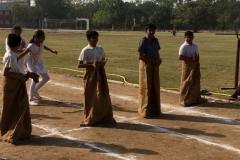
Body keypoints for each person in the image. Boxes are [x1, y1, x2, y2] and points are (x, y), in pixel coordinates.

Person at [77, 30, 116, 126]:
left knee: (103, 94)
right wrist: (92, 66)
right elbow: (79, 65)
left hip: (101, 73)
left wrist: (102, 63)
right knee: (91, 94)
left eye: (96, 38)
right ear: (88, 39)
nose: (95, 40)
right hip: (90, 74)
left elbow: (103, 59)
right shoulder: (85, 50)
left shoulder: (100, 49)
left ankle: (104, 117)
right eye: (93, 38)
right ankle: (91, 117)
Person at [1, 34, 31, 143]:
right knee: (13, 108)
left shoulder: (12, 54)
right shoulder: (9, 55)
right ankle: (9, 131)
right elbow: (6, 72)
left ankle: (21, 130)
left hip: (16, 83)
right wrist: (21, 77)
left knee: (18, 107)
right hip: (11, 84)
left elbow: (15, 59)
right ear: (18, 44)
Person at [19, 30, 58, 106]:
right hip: (31, 61)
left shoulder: (41, 43)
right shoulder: (31, 45)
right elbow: (23, 53)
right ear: (36, 38)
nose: (44, 39)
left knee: (46, 77)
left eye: (44, 37)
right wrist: (15, 59)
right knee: (34, 78)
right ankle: (30, 99)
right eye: (42, 37)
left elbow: (44, 46)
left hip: (38, 61)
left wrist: (52, 51)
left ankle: (35, 91)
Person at [138, 24, 162, 118]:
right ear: (146, 31)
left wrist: (158, 60)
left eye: (153, 30)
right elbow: (140, 56)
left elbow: (157, 52)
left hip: (155, 66)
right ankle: (145, 110)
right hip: (146, 66)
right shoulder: (143, 41)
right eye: (149, 30)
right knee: (146, 87)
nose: (151, 32)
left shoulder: (156, 41)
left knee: (155, 86)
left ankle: (154, 109)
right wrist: (154, 61)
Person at [178, 31, 207, 106]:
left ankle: (194, 98)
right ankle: (184, 99)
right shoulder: (183, 46)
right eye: (187, 37)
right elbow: (180, 57)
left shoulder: (195, 45)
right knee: (186, 82)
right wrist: (190, 58)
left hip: (195, 65)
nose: (188, 39)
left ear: (192, 38)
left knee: (195, 81)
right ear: (184, 38)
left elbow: (196, 55)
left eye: (190, 37)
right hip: (187, 66)